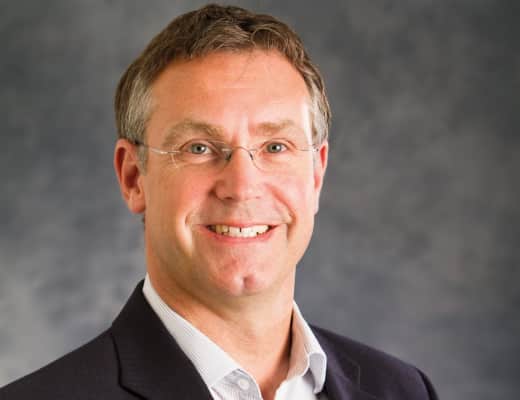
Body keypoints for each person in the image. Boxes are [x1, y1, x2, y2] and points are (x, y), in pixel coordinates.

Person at [0, 4, 438, 400]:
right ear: (133, 178)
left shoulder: (403, 391)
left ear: (316, 173)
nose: (242, 186)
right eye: (199, 148)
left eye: (276, 146)